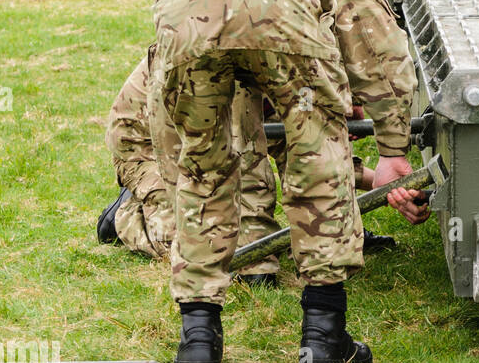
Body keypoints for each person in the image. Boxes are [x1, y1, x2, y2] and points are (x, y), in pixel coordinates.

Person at [152, 0, 423, 363]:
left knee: (204, 168)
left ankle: (199, 345)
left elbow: (167, 104)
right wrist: (392, 151)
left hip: (182, 3)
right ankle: (323, 340)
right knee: (317, 151)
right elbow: (379, 46)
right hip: (276, 4)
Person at [97, 48, 397, 280]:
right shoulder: (244, 59)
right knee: (202, 248)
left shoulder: (294, 72)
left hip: (208, 140)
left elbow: (305, 150)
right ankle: (128, 215)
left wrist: (381, 186)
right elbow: (245, 155)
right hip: (145, 145)